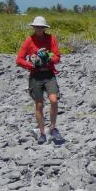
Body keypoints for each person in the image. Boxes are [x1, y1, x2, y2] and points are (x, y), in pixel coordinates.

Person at [16, 16, 64, 144]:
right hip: (35, 76)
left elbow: (57, 57)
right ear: (33, 27)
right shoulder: (29, 40)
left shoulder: (51, 38)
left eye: (41, 27)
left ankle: (53, 128)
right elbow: (19, 59)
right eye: (37, 27)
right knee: (39, 105)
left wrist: (48, 58)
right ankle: (42, 133)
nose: (39, 29)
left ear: (44, 28)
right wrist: (32, 64)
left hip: (49, 74)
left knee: (54, 100)